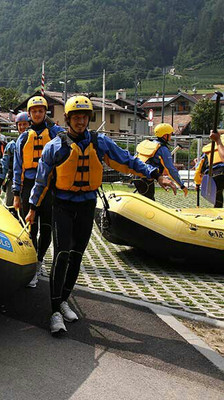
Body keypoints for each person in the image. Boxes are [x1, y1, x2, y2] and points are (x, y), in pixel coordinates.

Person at [25, 95, 176, 336]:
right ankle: (54, 311)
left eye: (84, 116)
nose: (81, 121)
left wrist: (156, 174)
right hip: (62, 206)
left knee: (77, 254)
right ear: (68, 119)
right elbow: (41, 181)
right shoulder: (55, 146)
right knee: (62, 254)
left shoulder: (100, 143)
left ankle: (63, 301)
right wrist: (33, 208)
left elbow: (127, 160)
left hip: (87, 205)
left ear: (89, 118)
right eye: (76, 117)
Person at [13, 96, 63, 288]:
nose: (37, 114)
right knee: (31, 228)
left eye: (40, 111)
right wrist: (16, 193)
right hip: (29, 186)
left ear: (45, 113)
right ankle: (32, 263)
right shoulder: (23, 137)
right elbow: (18, 167)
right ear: (30, 113)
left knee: (47, 227)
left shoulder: (56, 133)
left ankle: (40, 260)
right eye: (34, 111)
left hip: (50, 185)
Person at [134, 123, 188, 200]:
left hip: (136, 176)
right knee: (149, 204)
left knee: (145, 201)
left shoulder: (148, 144)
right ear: (165, 136)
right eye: (170, 134)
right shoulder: (163, 149)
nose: (171, 136)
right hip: (146, 179)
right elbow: (171, 169)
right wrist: (181, 185)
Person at [0, 112, 31, 211]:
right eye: (20, 124)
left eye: (25, 124)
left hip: (30, 182)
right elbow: (3, 166)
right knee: (11, 209)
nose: (22, 127)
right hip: (13, 181)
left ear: (30, 124)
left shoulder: (36, 144)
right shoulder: (11, 145)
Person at [194, 129, 224, 207]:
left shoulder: (208, 150)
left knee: (218, 195)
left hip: (213, 177)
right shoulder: (220, 144)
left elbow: (199, 169)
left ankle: (217, 208)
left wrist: (197, 184)